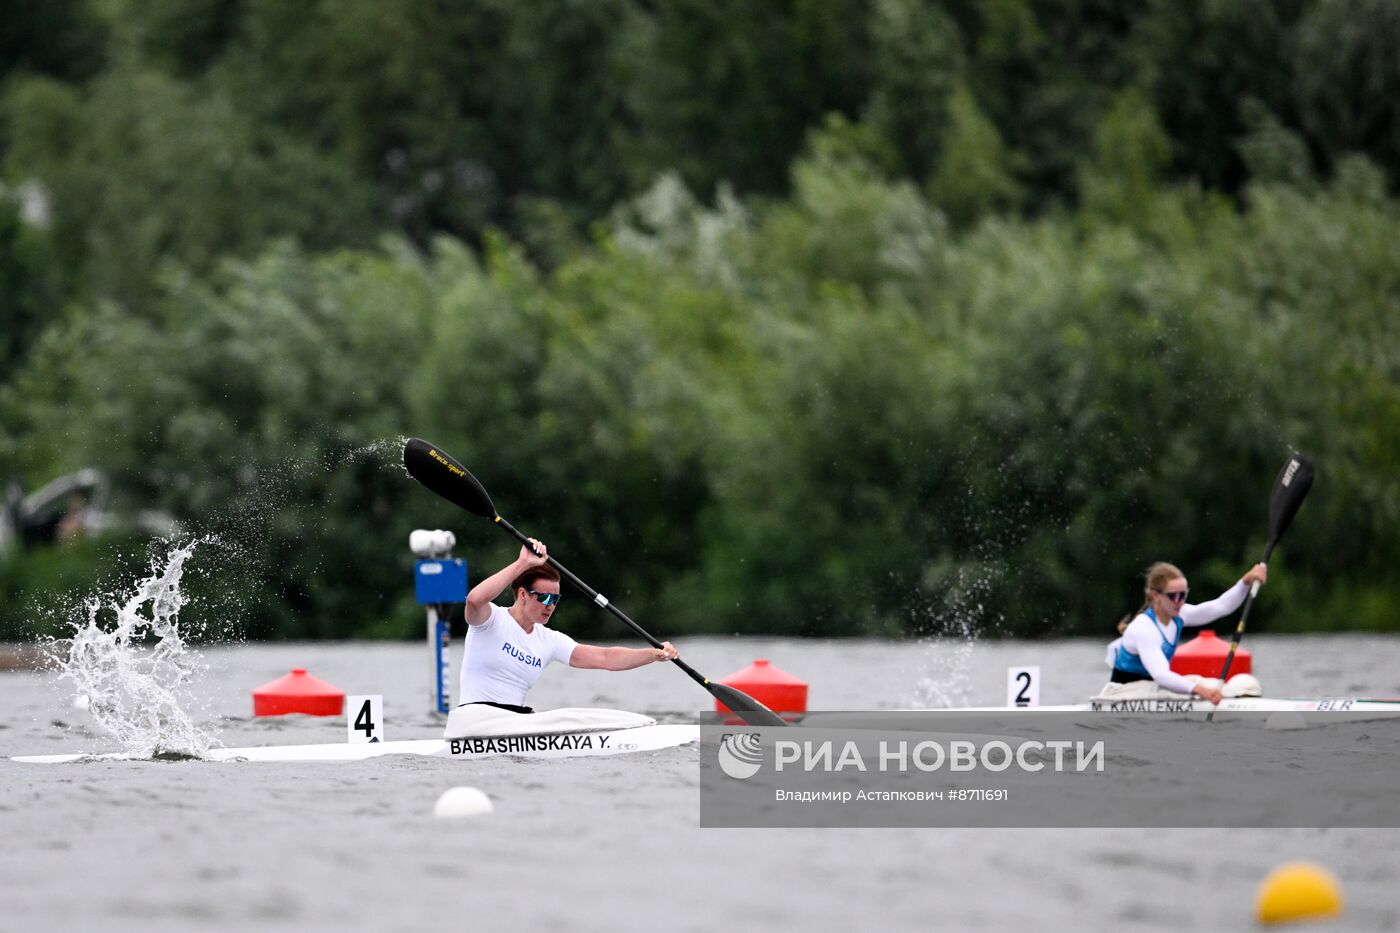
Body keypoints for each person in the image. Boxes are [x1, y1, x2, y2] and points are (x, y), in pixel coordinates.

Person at [459, 538, 679, 713]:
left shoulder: (549, 640)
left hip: (513, 721)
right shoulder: (490, 620)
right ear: (523, 594)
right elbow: (474, 600)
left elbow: (606, 658)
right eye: (545, 598)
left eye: (555, 600)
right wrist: (522, 563)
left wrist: (653, 655)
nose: (550, 606)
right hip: (475, 720)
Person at [1106, 560, 1268, 704]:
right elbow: (1161, 675)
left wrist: (1245, 582)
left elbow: (1221, 607)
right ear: (1155, 595)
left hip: (1152, 689)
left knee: (1237, 685)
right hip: (1122, 694)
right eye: (1173, 596)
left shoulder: (1179, 615)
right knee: (1203, 687)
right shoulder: (1144, 628)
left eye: (1183, 595)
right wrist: (1200, 690)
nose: (1179, 602)